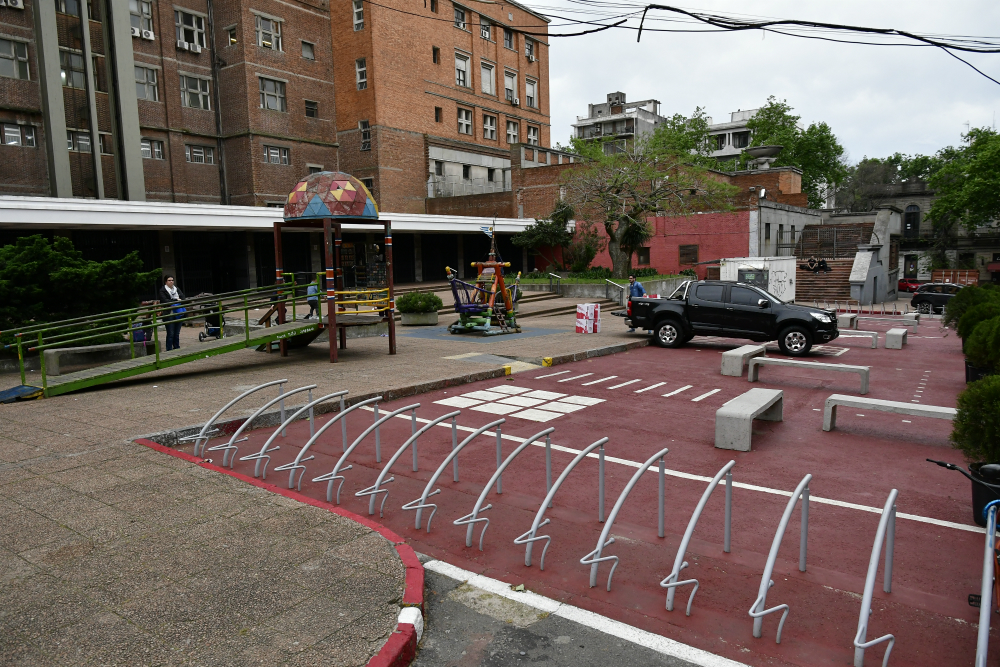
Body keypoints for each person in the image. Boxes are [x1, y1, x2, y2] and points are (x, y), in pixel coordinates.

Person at [158, 276, 186, 351]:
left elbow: (183, 298)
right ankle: (169, 349)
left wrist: (176, 300)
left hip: (178, 312)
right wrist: (176, 300)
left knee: (176, 333)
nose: (171, 281)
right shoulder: (162, 290)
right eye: (169, 280)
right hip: (169, 314)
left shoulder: (176, 289)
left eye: (172, 280)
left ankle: (177, 347)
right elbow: (164, 300)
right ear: (165, 282)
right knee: (171, 333)